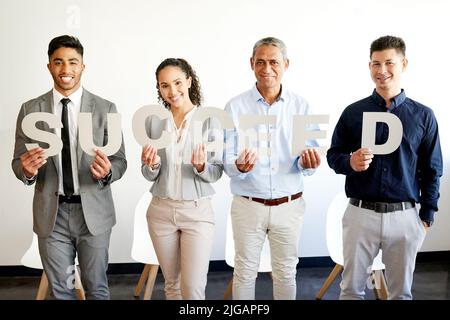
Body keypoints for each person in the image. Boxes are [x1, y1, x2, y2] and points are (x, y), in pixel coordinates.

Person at [327, 35, 443, 300]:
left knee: (399, 294)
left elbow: (433, 168)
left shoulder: (423, 116)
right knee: (351, 291)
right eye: (375, 64)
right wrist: (350, 162)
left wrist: (426, 215)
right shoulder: (353, 113)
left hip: (404, 216)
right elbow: (334, 156)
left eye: (389, 63)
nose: (382, 71)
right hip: (360, 214)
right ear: (369, 66)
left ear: (404, 64)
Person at [11, 35, 127, 299]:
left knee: (96, 287)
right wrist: (27, 171)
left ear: (83, 66)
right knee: (61, 290)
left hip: (94, 214)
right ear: (49, 66)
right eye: (58, 62)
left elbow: (120, 160)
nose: (66, 70)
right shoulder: (30, 109)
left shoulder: (106, 108)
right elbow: (18, 162)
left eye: (73, 62)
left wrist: (108, 172)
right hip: (52, 216)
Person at [223, 37, 321, 300]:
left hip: (289, 205)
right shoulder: (234, 107)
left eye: (274, 62)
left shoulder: (301, 106)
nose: (267, 68)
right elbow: (226, 160)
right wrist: (238, 165)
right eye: (261, 62)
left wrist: (308, 163)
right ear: (251, 64)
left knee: (286, 272)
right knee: (244, 271)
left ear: (286, 65)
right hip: (248, 204)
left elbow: (308, 163)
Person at [141, 58, 223, 300]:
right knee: (172, 285)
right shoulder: (154, 122)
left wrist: (200, 166)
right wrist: (152, 164)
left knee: (193, 288)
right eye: (164, 85)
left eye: (177, 82)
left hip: (196, 213)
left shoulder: (210, 120)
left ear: (189, 81)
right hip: (160, 211)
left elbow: (216, 172)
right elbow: (148, 174)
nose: (172, 91)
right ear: (159, 88)